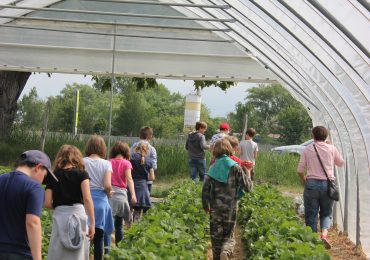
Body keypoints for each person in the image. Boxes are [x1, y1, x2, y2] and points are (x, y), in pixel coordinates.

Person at [0, 150, 57, 260]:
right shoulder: (34, 188)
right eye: (44, 176)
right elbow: (32, 223)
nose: (42, 181)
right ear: (38, 167)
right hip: (19, 252)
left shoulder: (1, 179)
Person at [202, 139, 252, 260]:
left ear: (215, 151)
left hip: (215, 207)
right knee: (229, 234)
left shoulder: (213, 168)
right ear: (230, 149)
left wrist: (205, 205)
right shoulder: (236, 167)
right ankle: (226, 250)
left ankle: (217, 257)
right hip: (231, 207)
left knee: (216, 235)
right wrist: (248, 172)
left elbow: (205, 189)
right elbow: (248, 188)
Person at [297, 126, 344, 249]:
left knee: (311, 213)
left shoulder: (307, 149)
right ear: (325, 136)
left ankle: (312, 241)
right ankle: (324, 235)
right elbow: (341, 163)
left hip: (311, 184)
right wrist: (332, 147)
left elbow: (300, 170)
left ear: (313, 135)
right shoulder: (331, 148)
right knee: (326, 212)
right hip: (328, 185)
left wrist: (304, 181)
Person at [44, 145, 95, 260]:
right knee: (78, 253)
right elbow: (87, 199)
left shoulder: (53, 176)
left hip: (60, 216)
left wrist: (59, 206)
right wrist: (92, 223)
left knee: (58, 252)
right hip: (79, 215)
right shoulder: (82, 174)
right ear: (77, 158)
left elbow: (47, 203)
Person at [83, 135, 114, 260]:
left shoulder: (81, 161)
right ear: (103, 148)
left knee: (84, 237)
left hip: (85, 201)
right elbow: (107, 185)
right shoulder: (106, 164)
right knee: (99, 238)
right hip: (101, 203)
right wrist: (109, 192)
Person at [108, 141, 137, 246]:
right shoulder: (127, 163)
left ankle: (106, 248)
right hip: (122, 196)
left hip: (110, 195)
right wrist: (133, 194)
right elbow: (129, 179)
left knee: (109, 222)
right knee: (120, 225)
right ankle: (119, 247)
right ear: (126, 152)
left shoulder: (109, 162)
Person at [130, 141, 155, 222]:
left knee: (130, 208)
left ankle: (128, 224)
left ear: (136, 148)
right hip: (143, 188)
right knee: (140, 210)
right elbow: (152, 177)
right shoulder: (149, 161)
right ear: (147, 150)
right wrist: (144, 177)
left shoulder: (132, 158)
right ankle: (136, 227)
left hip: (132, 186)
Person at [131, 126, 157, 193]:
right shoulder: (152, 149)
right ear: (150, 136)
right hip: (147, 181)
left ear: (139, 135)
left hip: (133, 179)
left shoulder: (133, 147)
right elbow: (154, 166)